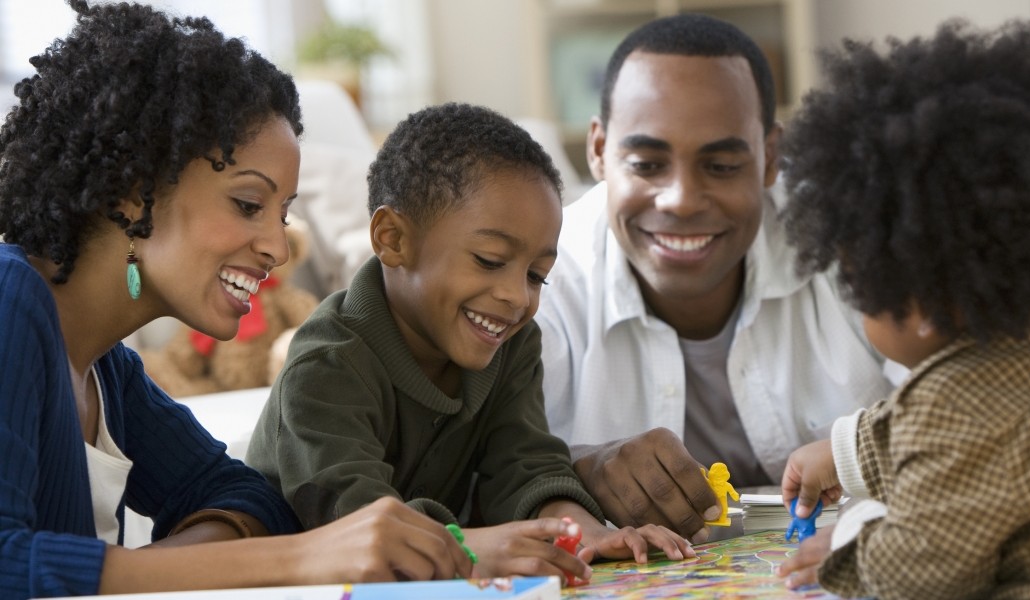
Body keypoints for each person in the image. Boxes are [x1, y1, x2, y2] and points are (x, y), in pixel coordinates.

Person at [0, 2, 477, 597]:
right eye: (248, 205)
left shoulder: (106, 368)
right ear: (131, 193)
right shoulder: (10, 301)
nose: (278, 247)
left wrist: (183, 569)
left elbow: (249, 498)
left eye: (284, 214)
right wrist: (297, 560)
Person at [776, 19, 1030, 598]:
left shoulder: (950, 413)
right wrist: (844, 452)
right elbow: (955, 430)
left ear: (918, 302)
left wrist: (854, 536)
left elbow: (917, 578)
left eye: (858, 281)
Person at [245, 102, 694, 584]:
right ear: (393, 238)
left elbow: (525, 464)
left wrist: (578, 531)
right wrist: (475, 548)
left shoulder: (510, 344)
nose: (516, 296)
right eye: (489, 259)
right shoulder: (327, 364)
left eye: (537, 275)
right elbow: (356, 522)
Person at [536, 13, 893, 543]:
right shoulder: (541, 278)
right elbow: (481, 471)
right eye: (646, 163)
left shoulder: (854, 239)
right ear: (598, 151)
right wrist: (580, 469)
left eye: (721, 165)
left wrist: (866, 447)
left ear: (770, 156)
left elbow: (986, 392)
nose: (680, 200)